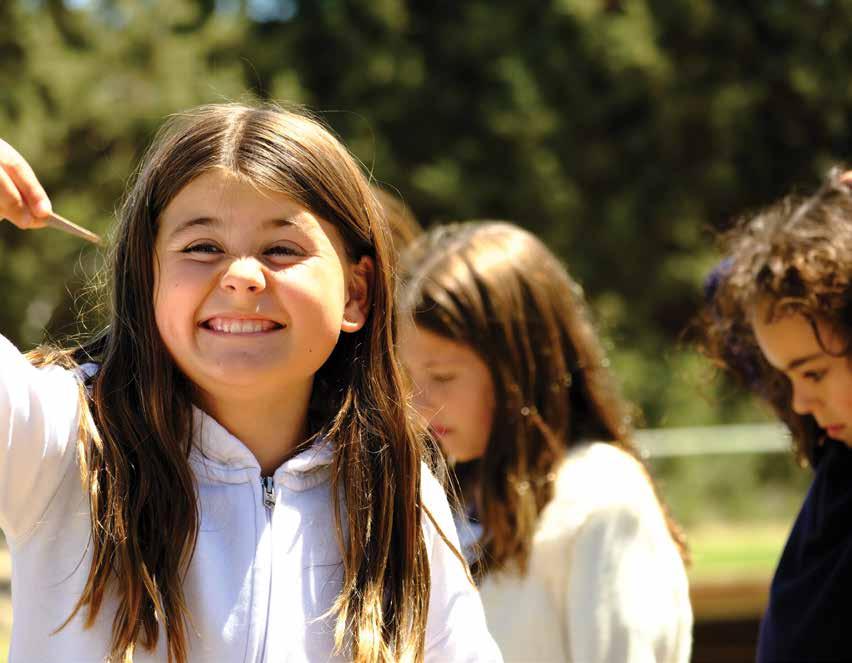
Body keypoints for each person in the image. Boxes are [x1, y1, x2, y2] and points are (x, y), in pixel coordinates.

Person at [0, 104, 502, 663]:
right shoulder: (61, 436)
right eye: (201, 248)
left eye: (281, 249)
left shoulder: (396, 490)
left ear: (356, 294)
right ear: (147, 277)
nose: (241, 277)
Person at [397, 221, 693, 663]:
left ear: (520, 370)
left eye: (442, 377)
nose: (417, 403)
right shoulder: (446, 499)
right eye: (407, 376)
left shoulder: (602, 501)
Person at [698, 169, 852, 662]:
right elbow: (721, 288)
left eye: (814, 373)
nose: (799, 403)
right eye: (787, 377)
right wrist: (837, 209)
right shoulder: (837, 456)